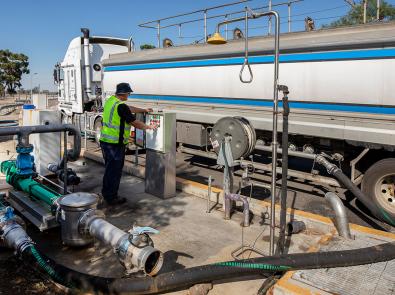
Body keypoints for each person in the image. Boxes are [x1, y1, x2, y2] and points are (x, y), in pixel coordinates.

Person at [100, 82, 157, 206]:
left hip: (105, 142)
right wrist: (149, 127)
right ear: (124, 93)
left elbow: (128, 108)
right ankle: (111, 197)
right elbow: (135, 123)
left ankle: (106, 193)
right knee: (114, 172)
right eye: (128, 93)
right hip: (115, 144)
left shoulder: (111, 101)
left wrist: (143, 110)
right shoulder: (120, 106)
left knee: (109, 170)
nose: (129, 95)